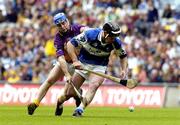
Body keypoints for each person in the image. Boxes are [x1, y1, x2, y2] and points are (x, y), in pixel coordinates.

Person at [27, 12, 88, 116]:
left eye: (64, 23)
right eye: (59, 25)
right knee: (49, 80)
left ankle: (61, 102)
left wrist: (90, 32)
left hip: (78, 65)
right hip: (64, 63)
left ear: (67, 21)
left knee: (67, 94)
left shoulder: (77, 28)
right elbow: (61, 58)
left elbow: (87, 30)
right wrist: (67, 74)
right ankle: (35, 102)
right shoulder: (58, 38)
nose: (63, 26)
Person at [66, 22, 130, 117]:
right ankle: (78, 92)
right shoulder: (90, 34)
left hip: (99, 66)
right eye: (111, 36)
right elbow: (70, 44)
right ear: (105, 33)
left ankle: (80, 109)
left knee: (94, 85)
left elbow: (123, 56)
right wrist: (75, 61)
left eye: (114, 37)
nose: (113, 39)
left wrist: (124, 70)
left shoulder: (115, 42)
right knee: (69, 93)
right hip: (83, 63)